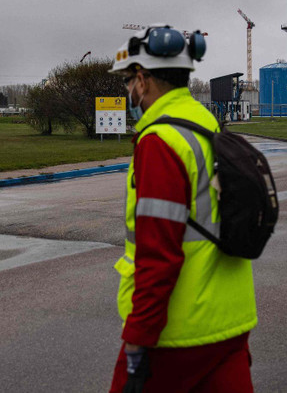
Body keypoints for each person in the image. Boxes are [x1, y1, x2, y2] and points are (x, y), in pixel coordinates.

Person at [108, 24, 257, 393]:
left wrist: (139, 338)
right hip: (231, 325)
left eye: (129, 81)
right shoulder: (206, 125)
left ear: (142, 80)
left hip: (178, 334)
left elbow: (159, 255)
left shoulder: (161, 140)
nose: (129, 91)